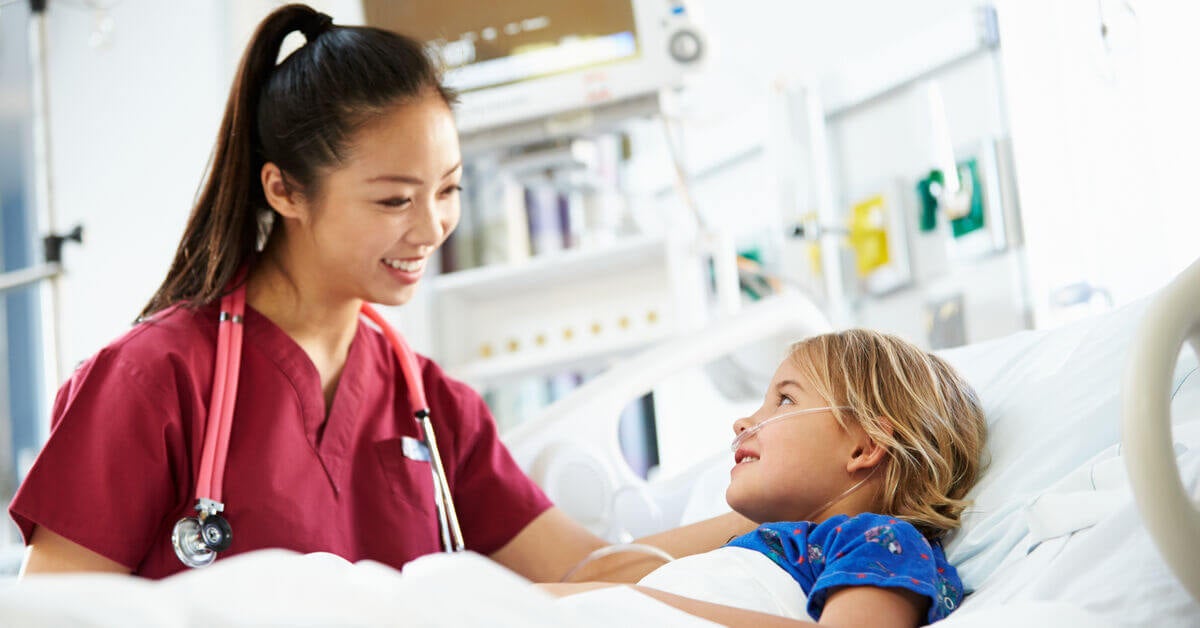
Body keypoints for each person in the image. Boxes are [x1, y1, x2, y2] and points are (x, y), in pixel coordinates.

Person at [8, 4, 753, 581]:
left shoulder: (433, 409)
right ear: (285, 190)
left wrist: (798, 528)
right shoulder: (153, 379)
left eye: (450, 189)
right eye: (394, 201)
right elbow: (54, 613)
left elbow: (590, 573)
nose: (431, 228)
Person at [543, 329, 988, 627]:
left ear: (865, 447)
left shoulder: (879, 542)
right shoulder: (771, 548)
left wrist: (630, 603)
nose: (743, 422)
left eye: (786, 400)